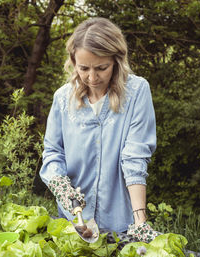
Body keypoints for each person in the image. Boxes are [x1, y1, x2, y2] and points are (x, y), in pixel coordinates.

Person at [39, 17, 160, 242]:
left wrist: (140, 221)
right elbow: (53, 154)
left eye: (101, 68)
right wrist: (65, 194)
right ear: (73, 62)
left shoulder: (136, 92)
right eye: (83, 68)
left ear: (116, 61)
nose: (92, 78)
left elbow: (135, 158)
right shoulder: (62, 98)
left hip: (119, 221)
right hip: (73, 219)